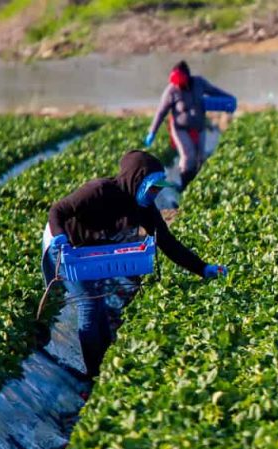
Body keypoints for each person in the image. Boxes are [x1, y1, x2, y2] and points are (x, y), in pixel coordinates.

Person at [41, 150, 227, 377]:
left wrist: (202, 268)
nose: (155, 194)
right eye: (153, 188)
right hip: (63, 247)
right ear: (136, 181)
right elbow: (57, 210)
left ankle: (103, 368)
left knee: (99, 306)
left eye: (158, 189)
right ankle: (93, 375)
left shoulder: (144, 207)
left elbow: (167, 242)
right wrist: (60, 237)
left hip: (91, 251)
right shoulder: (99, 190)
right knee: (88, 305)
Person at [145, 61, 235, 189]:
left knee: (201, 157)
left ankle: (197, 185)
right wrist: (152, 132)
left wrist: (229, 98)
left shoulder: (199, 83)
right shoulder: (171, 91)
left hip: (199, 127)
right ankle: (184, 186)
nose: (179, 85)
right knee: (188, 157)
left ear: (187, 77)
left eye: (181, 82)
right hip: (181, 129)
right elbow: (161, 112)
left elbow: (213, 91)